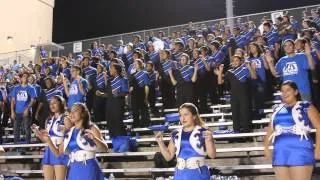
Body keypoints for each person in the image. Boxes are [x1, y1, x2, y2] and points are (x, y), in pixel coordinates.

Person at [264, 81, 320, 180]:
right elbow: (270, 129)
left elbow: (319, 127)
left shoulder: (306, 106)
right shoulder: (277, 109)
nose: (284, 93)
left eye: (288, 90)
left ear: (296, 92)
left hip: (300, 152)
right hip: (280, 153)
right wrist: (266, 147)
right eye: (282, 91)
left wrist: (318, 149)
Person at [37, 103, 108, 180]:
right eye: (71, 111)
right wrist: (48, 140)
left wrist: (94, 138)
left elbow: (105, 149)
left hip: (88, 167)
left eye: (75, 111)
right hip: (74, 168)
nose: (72, 114)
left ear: (83, 113)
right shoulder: (70, 132)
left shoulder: (92, 128)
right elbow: (58, 154)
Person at [155, 103, 216, 180]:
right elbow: (168, 157)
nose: (183, 118)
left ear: (194, 116)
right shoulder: (175, 133)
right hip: (180, 175)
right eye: (180, 115)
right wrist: (160, 142)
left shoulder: (203, 132)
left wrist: (210, 141)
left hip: (198, 174)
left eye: (186, 114)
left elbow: (212, 155)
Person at [215, 55, 257, 133]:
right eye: (233, 61)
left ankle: (246, 134)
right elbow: (220, 82)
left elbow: (254, 77)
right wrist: (220, 71)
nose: (235, 62)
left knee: (245, 114)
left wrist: (249, 67)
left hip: (244, 97)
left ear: (241, 62)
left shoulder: (245, 69)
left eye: (237, 60)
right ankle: (237, 133)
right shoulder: (230, 72)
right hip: (234, 97)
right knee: (235, 115)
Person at [32, 95, 71, 180]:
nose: (52, 105)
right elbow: (45, 140)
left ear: (61, 104)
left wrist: (66, 131)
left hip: (60, 151)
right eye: (50, 104)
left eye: (55, 103)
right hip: (49, 151)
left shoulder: (66, 118)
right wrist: (37, 132)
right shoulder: (48, 119)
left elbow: (71, 137)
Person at [105, 63, 130, 152]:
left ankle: (124, 145)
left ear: (116, 69)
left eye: (111, 68)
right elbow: (109, 94)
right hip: (110, 105)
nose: (109, 70)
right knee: (110, 124)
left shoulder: (123, 79)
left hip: (118, 105)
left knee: (118, 123)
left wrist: (118, 93)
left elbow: (126, 92)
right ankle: (116, 145)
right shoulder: (110, 81)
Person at [10, 72, 37, 144]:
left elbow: (33, 100)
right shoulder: (16, 88)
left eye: (27, 76)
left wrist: (27, 108)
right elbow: (12, 100)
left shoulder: (31, 88)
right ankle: (16, 145)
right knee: (16, 129)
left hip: (26, 112)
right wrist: (12, 112)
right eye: (24, 76)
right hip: (17, 112)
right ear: (21, 78)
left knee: (27, 129)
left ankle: (27, 144)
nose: (25, 78)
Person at [129, 59, 150, 128]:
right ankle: (136, 126)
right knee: (135, 111)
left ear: (140, 64)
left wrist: (146, 97)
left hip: (141, 93)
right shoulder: (132, 75)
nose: (134, 64)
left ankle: (146, 126)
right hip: (134, 95)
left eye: (136, 63)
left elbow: (146, 86)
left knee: (144, 111)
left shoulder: (145, 73)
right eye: (134, 63)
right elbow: (131, 87)